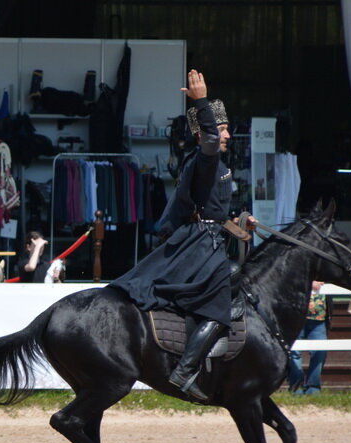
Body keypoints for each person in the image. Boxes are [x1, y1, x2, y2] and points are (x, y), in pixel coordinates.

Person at [108, 70, 255, 402]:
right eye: (220, 129)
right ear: (205, 134)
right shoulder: (206, 158)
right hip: (198, 245)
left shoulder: (215, 165)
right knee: (226, 289)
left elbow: (210, 210)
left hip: (206, 236)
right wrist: (201, 102)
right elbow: (210, 143)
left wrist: (239, 221)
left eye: (227, 127)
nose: (227, 135)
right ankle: (185, 370)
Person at [287, 281, 329, 395]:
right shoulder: (298, 266)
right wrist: (309, 283)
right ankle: (296, 387)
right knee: (294, 353)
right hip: (296, 317)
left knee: (319, 352)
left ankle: (313, 387)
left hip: (319, 319)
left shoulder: (324, 267)